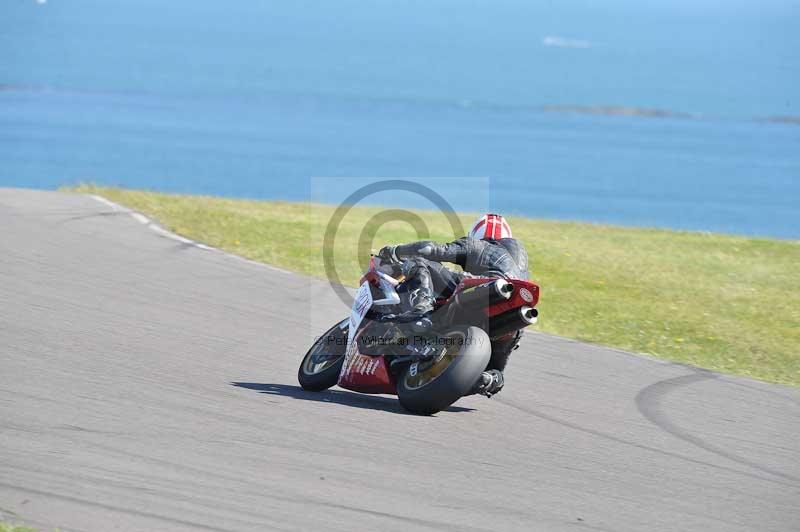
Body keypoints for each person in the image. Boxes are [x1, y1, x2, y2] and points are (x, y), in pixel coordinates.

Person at [378, 213, 530, 396]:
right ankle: (491, 379)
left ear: (477, 234)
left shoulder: (482, 245)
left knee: (419, 262)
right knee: (496, 365)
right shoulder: (522, 268)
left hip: (485, 289)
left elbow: (429, 249)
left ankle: (421, 312)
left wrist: (395, 251)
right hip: (514, 315)